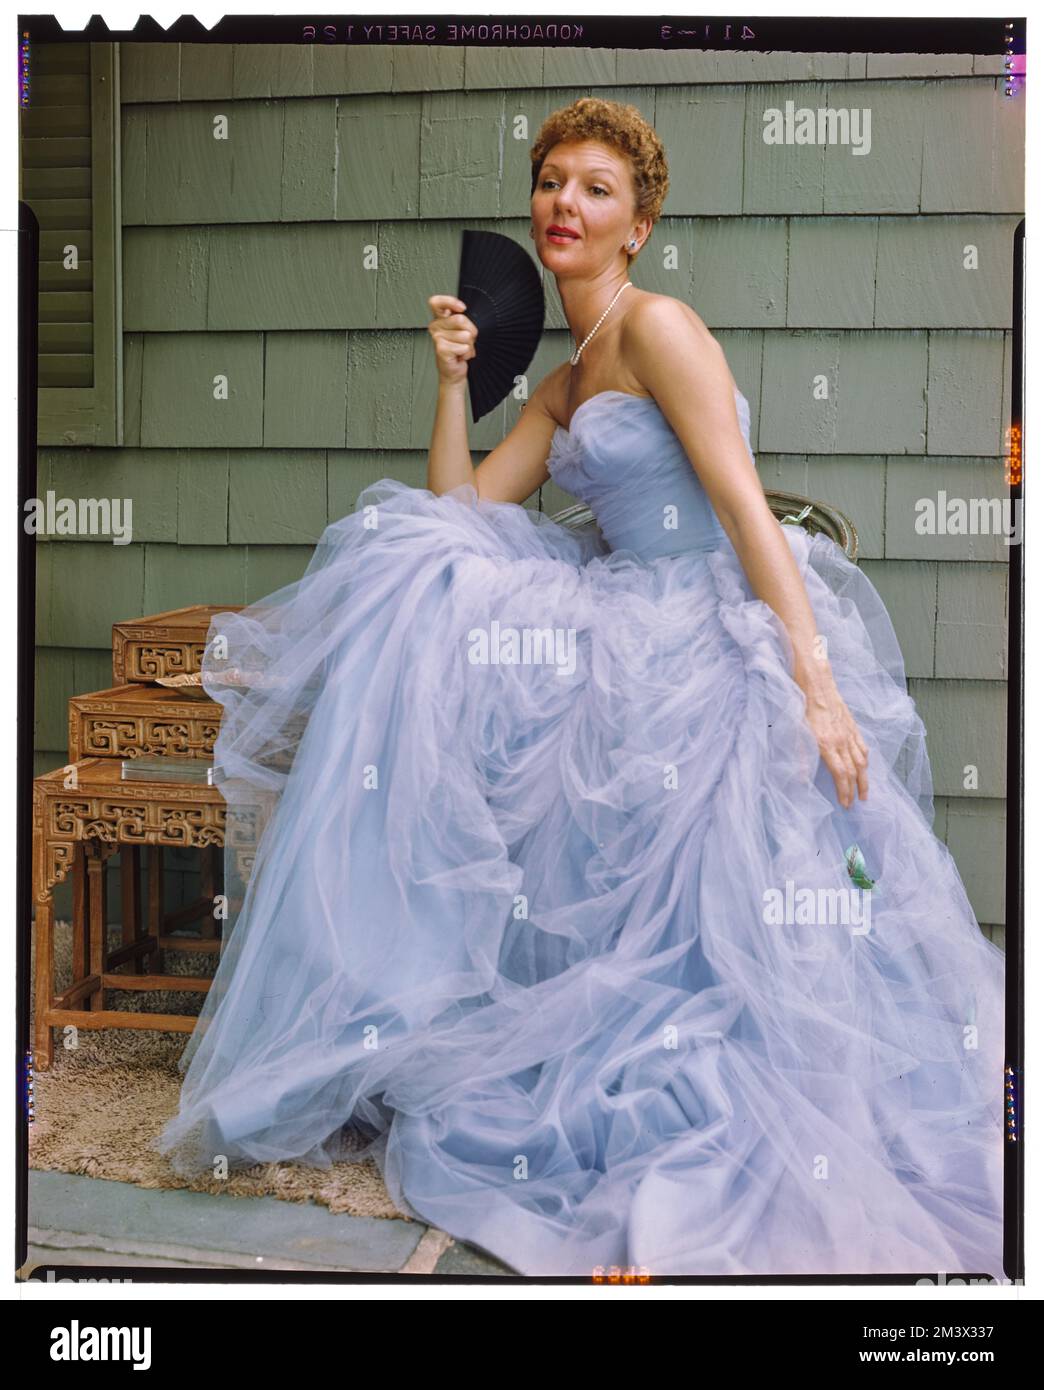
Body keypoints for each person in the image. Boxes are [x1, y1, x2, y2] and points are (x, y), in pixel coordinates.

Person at [154, 98, 1006, 1280]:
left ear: (639, 225)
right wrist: (454, 382)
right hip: (616, 628)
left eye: (597, 188)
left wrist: (813, 682)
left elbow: (745, 508)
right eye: (553, 181)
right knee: (423, 579)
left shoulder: (661, 331)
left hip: (709, 621)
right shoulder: (561, 384)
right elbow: (452, 521)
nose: (566, 203)